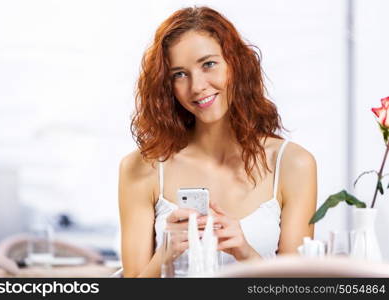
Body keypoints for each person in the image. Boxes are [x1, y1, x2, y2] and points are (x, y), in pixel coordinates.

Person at [118, 6, 317, 278]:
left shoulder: (293, 164)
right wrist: (166, 253)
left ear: (236, 65)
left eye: (208, 64)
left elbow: (297, 287)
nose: (197, 86)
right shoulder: (141, 168)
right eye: (179, 74)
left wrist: (244, 252)